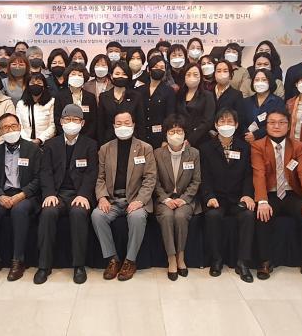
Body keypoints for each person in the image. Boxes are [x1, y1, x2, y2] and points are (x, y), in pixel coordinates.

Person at [251, 110, 302, 283]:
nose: (276, 126)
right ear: (266, 125)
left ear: (289, 125)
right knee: (262, 215)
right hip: (270, 193)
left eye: (282, 122)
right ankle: (265, 261)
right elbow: (258, 173)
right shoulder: (258, 146)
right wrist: (262, 201)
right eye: (272, 122)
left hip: (291, 193)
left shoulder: (297, 146)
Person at [35, 105, 99, 284]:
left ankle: (79, 266)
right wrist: (49, 193)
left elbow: (92, 173)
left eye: (75, 120)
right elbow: (45, 172)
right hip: (57, 193)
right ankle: (44, 265)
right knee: (48, 212)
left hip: (79, 194)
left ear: (82, 123)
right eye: (67, 119)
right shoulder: (51, 145)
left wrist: (84, 194)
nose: (71, 123)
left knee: (78, 213)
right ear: (61, 122)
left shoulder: (90, 145)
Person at [91, 110, 157, 281]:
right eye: (119, 123)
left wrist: (140, 200)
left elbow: (150, 178)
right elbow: (100, 177)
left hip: (135, 198)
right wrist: (102, 197)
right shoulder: (105, 149)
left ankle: (130, 261)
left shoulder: (145, 148)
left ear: (133, 125)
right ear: (113, 126)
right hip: (112, 199)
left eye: (127, 123)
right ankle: (113, 259)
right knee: (97, 216)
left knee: (137, 217)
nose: (123, 126)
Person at [0, 113, 42, 281]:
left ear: (20, 127)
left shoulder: (33, 149)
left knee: (19, 210)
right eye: (6, 127)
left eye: (13, 126)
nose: (10, 130)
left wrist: (22, 195)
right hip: (3, 194)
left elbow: (39, 178)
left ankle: (18, 260)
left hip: (26, 195)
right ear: (0, 131)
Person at [200, 108, 255, 282]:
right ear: (216, 125)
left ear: (236, 125)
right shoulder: (206, 148)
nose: (226, 125)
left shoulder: (244, 147)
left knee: (248, 215)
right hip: (216, 198)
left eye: (230, 121)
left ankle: (243, 262)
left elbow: (248, 175)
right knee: (213, 216)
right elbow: (204, 177)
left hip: (238, 197)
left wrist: (247, 194)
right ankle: (216, 260)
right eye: (222, 121)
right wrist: (209, 196)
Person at [154, 114, 201, 281]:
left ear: (185, 133)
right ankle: (171, 258)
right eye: (172, 131)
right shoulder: (157, 153)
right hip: (164, 199)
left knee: (180, 216)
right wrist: (165, 199)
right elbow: (154, 181)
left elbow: (196, 181)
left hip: (185, 199)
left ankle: (181, 255)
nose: (175, 135)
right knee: (167, 216)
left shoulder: (194, 153)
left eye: (179, 131)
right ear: (166, 134)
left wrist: (184, 199)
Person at [97, 61, 146, 144]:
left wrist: (141, 143)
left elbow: (140, 123)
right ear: (111, 76)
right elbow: (101, 124)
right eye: (117, 74)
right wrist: (101, 145)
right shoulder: (103, 97)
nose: (120, 76)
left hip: (132, 140)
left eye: (124, 74)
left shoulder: (136, 96)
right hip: (109, 141)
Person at [137, 55, 176, 149]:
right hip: (141, 136)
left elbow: (170, 116)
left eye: (162, 68)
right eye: (156, 67)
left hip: (160, 137)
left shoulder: (169, 91)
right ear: (148, 69)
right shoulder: (139, 90)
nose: (159, 69)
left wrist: (165, 140)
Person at [238, 69, 283, 144]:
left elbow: (276, 123)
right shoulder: (246, 101)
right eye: (257, 80)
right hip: (246, 141)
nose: (260, 82)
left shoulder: (278, 102)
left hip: (268, 142)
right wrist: (247, 134)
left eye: (264, 80)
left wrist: (256, 135)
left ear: (270, 82)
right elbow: (241, 121)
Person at [176, 63, 216, 148]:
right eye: (188, 74)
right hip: (180, 138)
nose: (192, 77)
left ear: (200, 77)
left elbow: (208, 121)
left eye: (195, 74)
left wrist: (191, 139)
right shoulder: (179, 95)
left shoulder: (207, 95)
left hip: (201, 140)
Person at [53, 63, 97, 139]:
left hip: (86, 138)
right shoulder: (60, 96)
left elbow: (93, 121)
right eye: (73, 74)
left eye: (80, 75)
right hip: (64, 137)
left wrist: (85, 138)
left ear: (84, 78)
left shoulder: (90, 97)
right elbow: (57, 119)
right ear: (68, 77)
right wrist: (67, 136)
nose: (76, 77)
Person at [16, 73, 56, 146]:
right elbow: (18, 125)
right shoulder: (20, 104)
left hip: (46, 143)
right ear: (28, 86)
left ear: (44, 86)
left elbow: (53, 125)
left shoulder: (52, 102)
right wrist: (29, 141)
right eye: (32, 83)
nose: (35, 85)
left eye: (39, 83)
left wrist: (40, 139)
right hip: (25, 143)